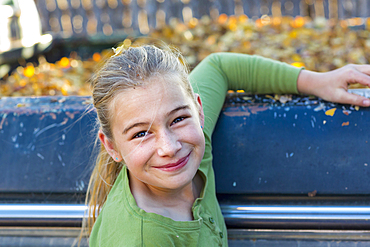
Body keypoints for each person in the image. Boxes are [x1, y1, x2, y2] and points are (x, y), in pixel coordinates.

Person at [84, 44, 370, 246]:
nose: (169, 146)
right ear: (112, 147)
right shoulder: (142, 238)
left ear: (199, 110)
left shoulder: (194, 143)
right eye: (140, 134)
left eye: (178, 118)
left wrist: (316, 81)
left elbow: (218, 66)